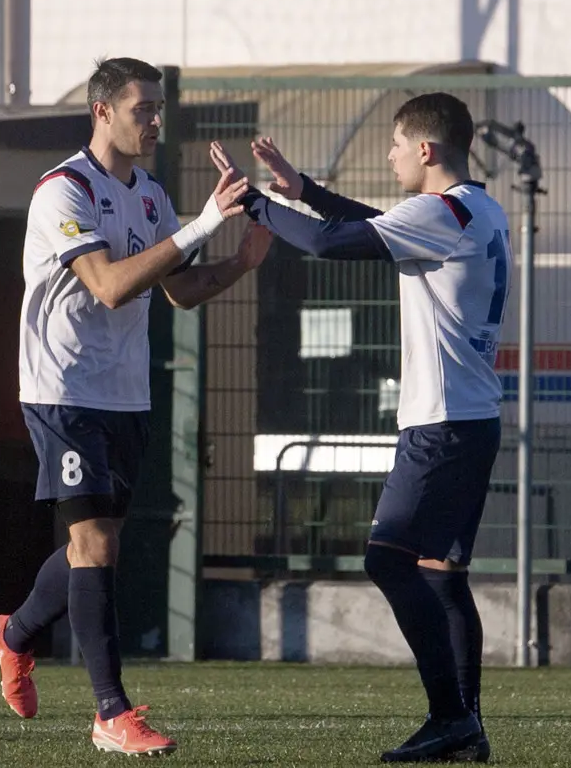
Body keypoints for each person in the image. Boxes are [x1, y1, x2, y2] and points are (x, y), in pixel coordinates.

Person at [0, 57, 271, 756]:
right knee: (97, 544)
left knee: (95, 547)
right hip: (64, 390)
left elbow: (178, 289)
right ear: (101, 111)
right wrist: (201, 224)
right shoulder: (63, 191)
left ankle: (13, 633)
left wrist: (240, 260)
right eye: (143, 108)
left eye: (159, 108)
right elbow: (110, 285)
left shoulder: (150, 196)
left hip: (125, 393)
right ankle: (111, 712)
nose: (155, 120)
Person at [212, 90, 508, 762]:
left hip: (440, 427)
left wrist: (254, 202)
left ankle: (450, 717)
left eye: (397, 144)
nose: (389, 153)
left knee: (387, 559)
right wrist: (308, 189)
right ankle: (465, 726)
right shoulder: (478, 207)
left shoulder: (440, 211)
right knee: (439, 573)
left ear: (426, 151)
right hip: (473, 420)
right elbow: (373, 225)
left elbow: (328, 242)